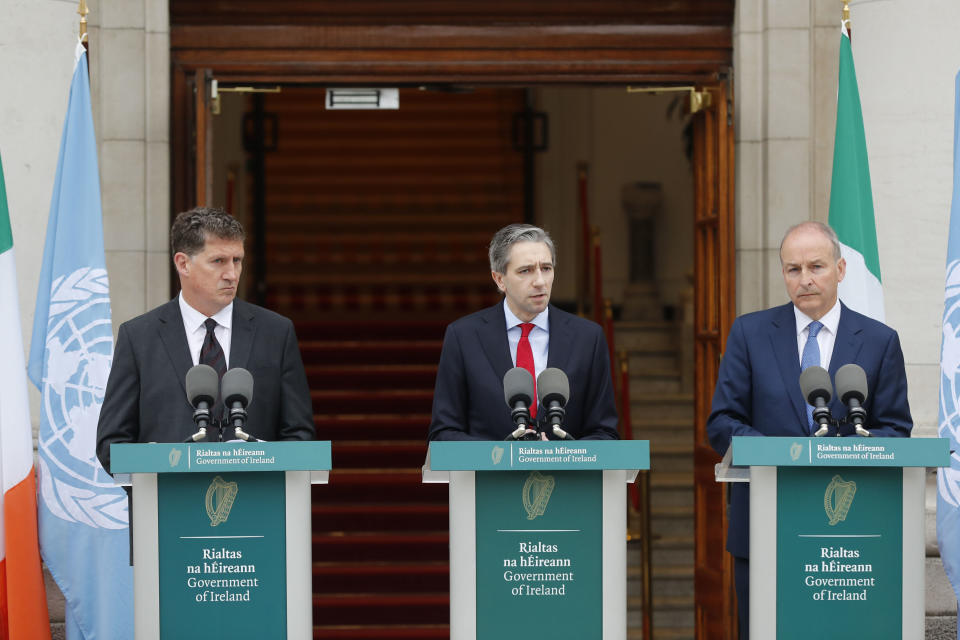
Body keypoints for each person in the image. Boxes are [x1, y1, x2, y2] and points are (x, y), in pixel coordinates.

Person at [706, 220, 912, 639]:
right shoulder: (750, 333)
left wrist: (853, 450)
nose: (804, 279)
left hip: (848, 537)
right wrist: (778, 457)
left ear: (840, 270)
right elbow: (722, 422)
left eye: (815, 266)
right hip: (765, 525)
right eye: (793, 269)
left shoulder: (879, 341)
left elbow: (895, 430)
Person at [96, 207, 314, 473]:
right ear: (183, 263)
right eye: (219, 261)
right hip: (169, 508)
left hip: (256, 506)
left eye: (237, 260)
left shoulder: (276, 333)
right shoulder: (139, 337)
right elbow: (112, 443)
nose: (232, 274)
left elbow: (299, 436)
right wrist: (157, 468)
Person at [428, 223, 619, 441]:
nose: (539, 281)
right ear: (499, 279)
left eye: (546, 268)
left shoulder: (588, 338)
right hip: (489, 475)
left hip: (566, 475)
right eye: (526, 270)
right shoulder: (463, 337)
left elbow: (605, 433)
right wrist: (504, 457)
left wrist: (564, 455)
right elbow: (443, 434)